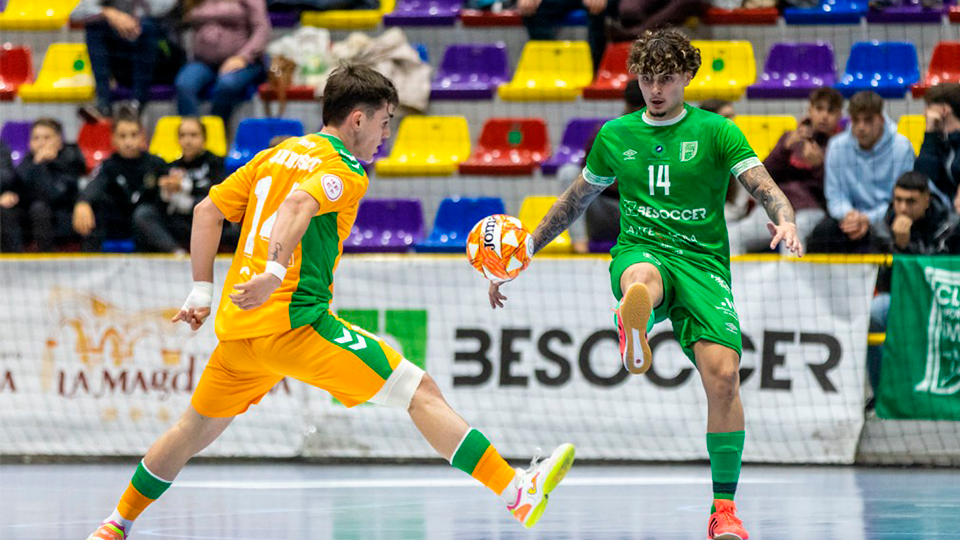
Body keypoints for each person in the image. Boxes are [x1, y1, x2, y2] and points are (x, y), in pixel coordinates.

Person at [84, 65, 575, 540]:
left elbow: (206, 211)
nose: (387, 136)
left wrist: (200, 292)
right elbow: (299, 206)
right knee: (417, 389)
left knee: (189, 430)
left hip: (239, 332)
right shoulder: (344, 168)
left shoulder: (273, 156)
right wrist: (275, 272)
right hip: (295, 325)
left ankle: (116, 524)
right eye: (385, 123)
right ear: (356, 119)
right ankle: (516, 491)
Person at [489, 28, 803, 540]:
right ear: (637, 76)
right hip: (643, 249)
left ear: (687, 77)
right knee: (642, 278)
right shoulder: (616, 135)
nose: (655, 89)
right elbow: (575, 203)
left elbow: (765, 187)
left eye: (667, 79)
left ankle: (723, 510)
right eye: (648, 78)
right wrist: (523, 251)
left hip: (703, 263)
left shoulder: (717, 132)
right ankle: (634, 315)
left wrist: (785, 220)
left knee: (723, 376)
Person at [867, 171, 956, 395]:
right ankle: (881, 395)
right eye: (898, 200)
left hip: (941, 302)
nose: (903, 208)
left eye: (911, 201)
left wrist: (905, 246)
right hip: (901, 300)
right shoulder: (882, 227)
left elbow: (937, 273)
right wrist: (898, 244)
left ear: (927, 200)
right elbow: (884, 283)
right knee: (875, 312)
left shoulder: (948, 225)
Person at [728, 88, 844, 254]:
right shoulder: (790, 138)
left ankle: (791, 281)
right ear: (810, 110)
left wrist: (819, 166)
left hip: (809, 211)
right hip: (776, 207)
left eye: (830, 111)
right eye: (819, 109)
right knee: (733, 235)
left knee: (790, 238)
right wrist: (784, 149)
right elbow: (762, 176)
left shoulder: (840, 145)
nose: (824, 115)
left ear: (839, 115)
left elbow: (836, 192)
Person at [806, 90, 915, 253]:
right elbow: (835, 196)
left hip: (886, 219)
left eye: (868, 120)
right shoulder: (837, 146)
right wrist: (850, 216)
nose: (861, 127)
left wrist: (868, 219)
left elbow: (902, 200)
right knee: (821, 234)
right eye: (856, 120)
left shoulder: (901, 147)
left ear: (881, 119)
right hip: (849, 221)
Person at [73, 110, 170, 252]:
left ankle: (175, 254)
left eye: (134, 135)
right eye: (122, 136)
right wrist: (83, 202)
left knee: (144, 214)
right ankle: (91, 262)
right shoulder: (109, 165)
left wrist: (174, 186)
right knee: (92, 209)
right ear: (113, 139)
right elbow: (95, 184)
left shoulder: (156, 163)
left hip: (147, 224)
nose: (128, 142)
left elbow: (173, 182)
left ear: (143, 136)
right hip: (119, 222)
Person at [571, 79, 647, 253]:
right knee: (569, 173)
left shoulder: (665, 136)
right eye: (632, 108)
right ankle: (580, 247)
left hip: (644, 213)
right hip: (607, 209)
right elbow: (588, 178)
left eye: (641, 108)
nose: (636, 112)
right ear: (626, 105)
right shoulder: (606, 133)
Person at [70, 0, 178, 118]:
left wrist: (132, 21)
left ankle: (136, 104)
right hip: (124, 64)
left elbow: (164, 7)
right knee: (95, 26)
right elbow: (75, 14)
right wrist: (108, 13)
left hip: (160, 63)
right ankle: (103, 104)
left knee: (147, 26)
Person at [134, 117, 227, 253]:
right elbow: (161, 205)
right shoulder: (172, 167)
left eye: (193, 135)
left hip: (206, 224)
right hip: (179, 223)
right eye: (183, 135)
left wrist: (184, 186)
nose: (188, 140)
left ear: (204, 138)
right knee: (143, 213)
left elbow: (218, 192)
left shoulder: (214, 163)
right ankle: (176, 252)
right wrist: (164, 191)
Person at [176, 0, 271, 126]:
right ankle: (191, 133)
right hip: (203, 62)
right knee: (185, 84)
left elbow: (262, 29)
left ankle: (215, 132)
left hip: (244, 61)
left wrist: (242, 57)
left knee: (227, 84)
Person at [0, 119, 86, 252]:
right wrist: (9, 194)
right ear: (29, 142)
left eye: (47, 137)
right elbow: (16, 183)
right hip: (31, 219)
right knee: (6, 207)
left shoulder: (70, 159)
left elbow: (50, 194)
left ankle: (46, 260)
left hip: (62, 218)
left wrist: (40, 164)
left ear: (59, 141)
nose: (41, 143)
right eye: (36, 138)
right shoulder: (29, 160)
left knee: (39, 208)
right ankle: (16, 259)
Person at [914, 82, 960, 211]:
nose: (924, 113)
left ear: (944, 110)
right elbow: (923, 176)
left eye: (928, 107)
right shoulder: (940, 140)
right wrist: (929, 133)